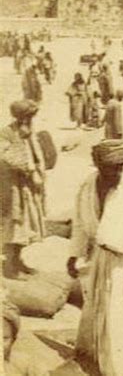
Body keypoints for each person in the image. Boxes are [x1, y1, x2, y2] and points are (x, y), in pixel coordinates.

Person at [67, 140, 123, 376]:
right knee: (98, 309)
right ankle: (98, 356)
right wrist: (74, 254)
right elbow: (79, 221)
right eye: (112, 167)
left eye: (121, 167)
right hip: (99, 258)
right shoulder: (87, 186)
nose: (117, 172)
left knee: (122, 315)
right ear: (98, 164)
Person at [0, 100, 47, 279]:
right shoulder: (6, 133)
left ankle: (18, 260)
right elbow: (4, 157)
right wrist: (28, 169)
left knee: (27, 225)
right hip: (12, 188)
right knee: (14, 226)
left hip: (27, 188)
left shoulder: (29, 133)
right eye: (28, 117)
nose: (30, 120)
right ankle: (10, 267)